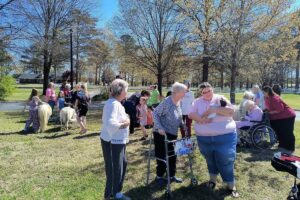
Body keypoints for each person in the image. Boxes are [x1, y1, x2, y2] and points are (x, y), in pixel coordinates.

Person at [188, 82, 239, 198]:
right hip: (204, 138)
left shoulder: (220, 98)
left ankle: (231, 185)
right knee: (210, 159)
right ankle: (212, 180)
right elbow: (191, 114)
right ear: (200, 93)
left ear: (212, 89)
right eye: (203, 92)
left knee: (226, 160)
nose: (207, 93)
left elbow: (231, 112)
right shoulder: (197, 102)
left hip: (225, 136)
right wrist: (201, 119)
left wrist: (214, 110)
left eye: (209, 90)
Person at [100, 79, 131, 200]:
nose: (127, 92)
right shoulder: (113, 104)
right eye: (126, 90)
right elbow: (110, 123)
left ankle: (117, 192)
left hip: (117, 140)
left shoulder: (115, 103)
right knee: (114, 168)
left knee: (122, 164)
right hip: (112, 141)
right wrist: (126, 123)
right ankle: (110, 195)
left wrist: (125, 118)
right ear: (120, 91)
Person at [152, 82, 187, 185]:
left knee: (172, 155)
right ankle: (159, 177)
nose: (185, 94)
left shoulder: (179, 101)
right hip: (161, 133)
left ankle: (171, 175)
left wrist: (182, 125)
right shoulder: (167, 102)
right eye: (184, 92)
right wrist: (160, 128)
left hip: (172, 133)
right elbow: (155, 113)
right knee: (162, 156)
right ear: (176, 92)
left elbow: (179, 117)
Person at [263, 86, 296, 154]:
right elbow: (269, 107)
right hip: (278, 118)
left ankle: (290, 148)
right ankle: (282, 146)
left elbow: (280, 109)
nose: (263, 94)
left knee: (287, 132)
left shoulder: (275, 98)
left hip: (287, 116)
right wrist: (265, 110)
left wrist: (269, 112)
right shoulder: (267, 98)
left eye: (264, 92)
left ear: (267, 92)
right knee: (279, 132)